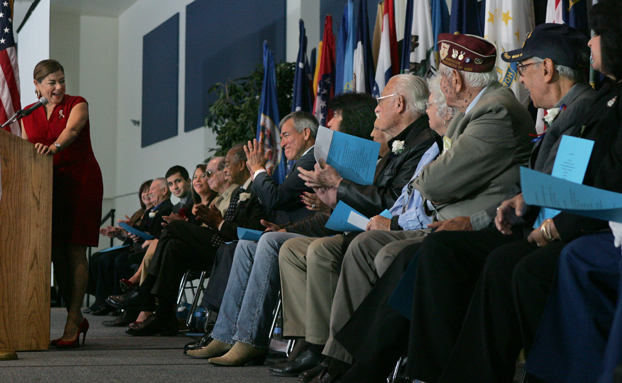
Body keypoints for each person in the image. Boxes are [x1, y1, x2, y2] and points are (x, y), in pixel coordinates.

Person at [284, 33, 536, 383]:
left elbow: (432, 182)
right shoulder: (477, 111)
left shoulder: (492, 109)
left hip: (479, 227)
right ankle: (342, 360)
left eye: (442, 78)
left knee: (399, 256)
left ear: (457, 80)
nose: (438, 89)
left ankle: (369, 368)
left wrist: (434, 190)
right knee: (368, 249)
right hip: (445, 221)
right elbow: (438, 182)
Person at [405, 24, 606, 383]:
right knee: (441, 249)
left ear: (546, 69)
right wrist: (522, 197)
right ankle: (432, 373)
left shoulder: (584, 112)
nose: (520, 79)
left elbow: (571, 188)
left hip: (557, 231)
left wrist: (528, 207)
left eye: (524, 68)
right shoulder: (567, 109)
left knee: (499, 262)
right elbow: (553, 183)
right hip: (528, 220)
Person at [108, 144, 267, 336]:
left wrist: (217, 222)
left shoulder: (252, 191)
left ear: (241, 165)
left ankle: (144, 293)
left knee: (174, 228)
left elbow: (250, 230)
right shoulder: (235, 193)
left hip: (227, 247)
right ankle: (164, 315)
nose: (226, 170)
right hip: (214, 242)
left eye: (227, 165)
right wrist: (212, 220)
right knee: (173, 246)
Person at [20, 59, 103, 348]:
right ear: (37, 86)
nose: (58, 87)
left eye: (61, 80)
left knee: (76, 251)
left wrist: (53, 147)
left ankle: (74, 317)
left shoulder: (77, 102)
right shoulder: (27, 114)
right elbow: (21, 147)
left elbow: (74, 130)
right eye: (51, 82)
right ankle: (74, 315)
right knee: (56, 254)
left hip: (81, 181)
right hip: (46, 187)